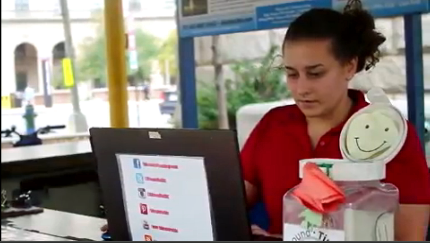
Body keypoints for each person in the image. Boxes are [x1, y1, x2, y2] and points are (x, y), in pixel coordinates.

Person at [243, 0, 430, 241]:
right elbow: (227, 203)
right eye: (292, 73)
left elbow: (408, 237)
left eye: (315, 73)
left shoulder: (389, 135)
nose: (301, 88)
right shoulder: (273, 125)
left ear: (349, 66)